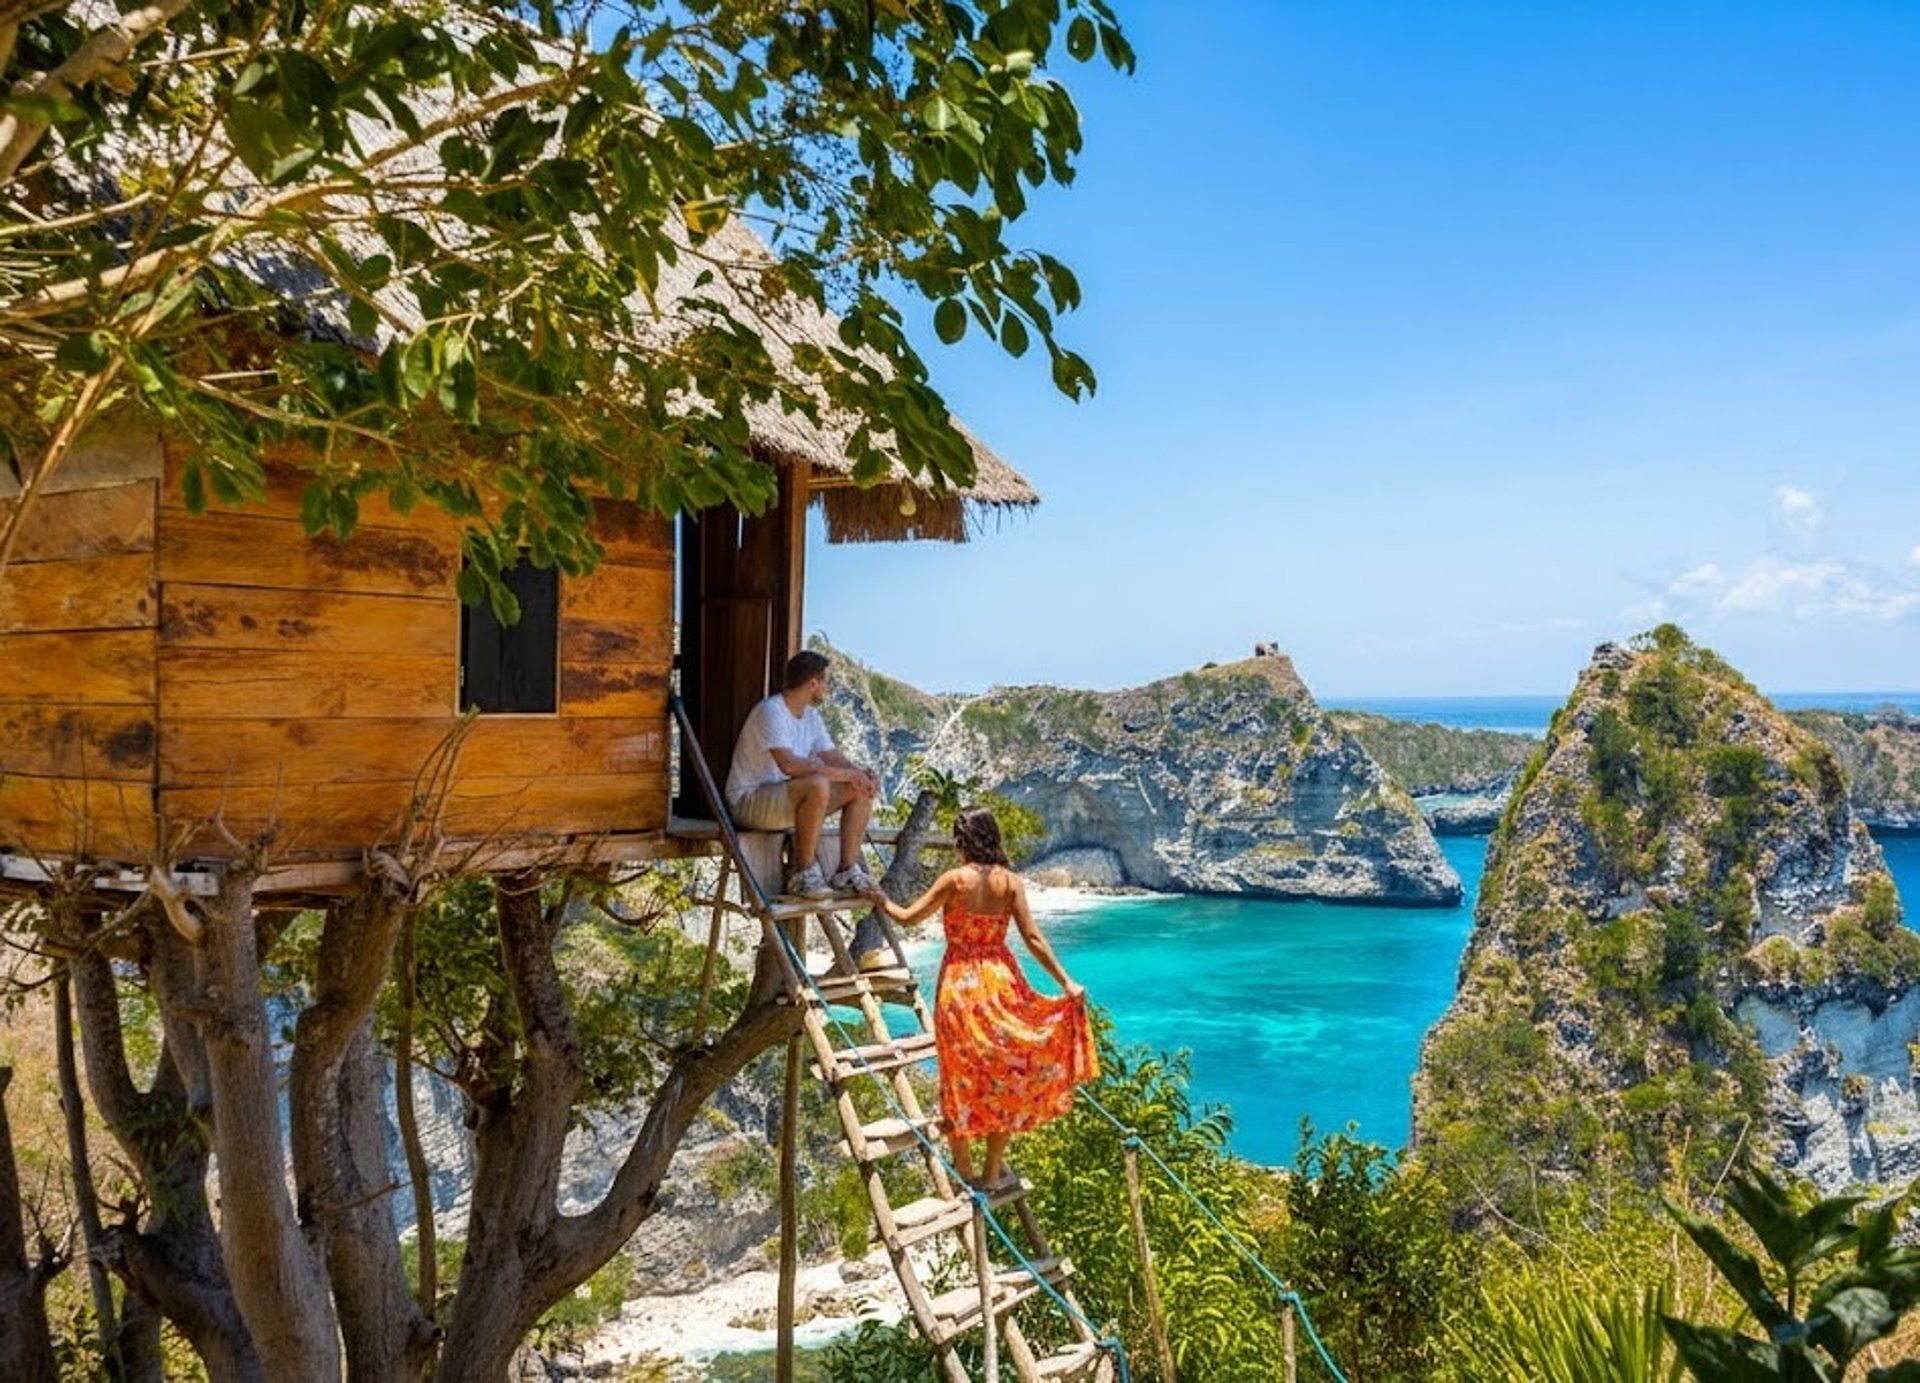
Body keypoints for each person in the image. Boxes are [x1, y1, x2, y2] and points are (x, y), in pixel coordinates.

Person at [865, 807, 1095, 1189]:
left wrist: (878, 898)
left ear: (962, 842)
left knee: (957, 1079)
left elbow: (906, 918)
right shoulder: (1011, 883)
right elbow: (1034, 940)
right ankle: (990, 1175)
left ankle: (963, 1175)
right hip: (1000, 981)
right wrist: (1067, 982)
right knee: (1003, 1078)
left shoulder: (955, 880)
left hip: (959, 988)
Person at [726, 649, 881, 900]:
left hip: (785, 801)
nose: (827, 689)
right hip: (748, 802)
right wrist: (841, 774)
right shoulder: (771, 711)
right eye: (825, 682)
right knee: (817, 783)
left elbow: (831, 755)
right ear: (813, 683)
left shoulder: (811, 717)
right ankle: (803, 873)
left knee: (859, 787)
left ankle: (846, 871)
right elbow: (790, 765)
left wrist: (859, 774)